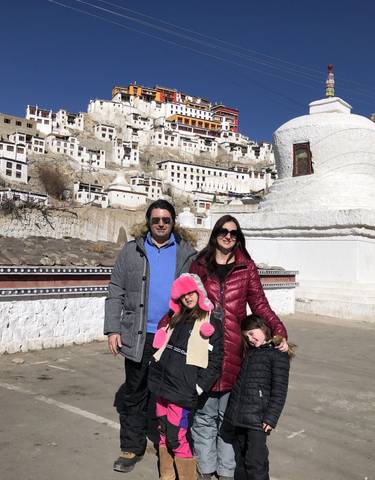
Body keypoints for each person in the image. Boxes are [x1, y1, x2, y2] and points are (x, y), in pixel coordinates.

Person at [189, 214, 288, 480]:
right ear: (215, 234)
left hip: (235, 351)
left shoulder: (247, 267)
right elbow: (184, 301)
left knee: (228, 421)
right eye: (223, 231)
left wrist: (279, 331)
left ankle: (227, 472)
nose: (228, 236)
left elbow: (260, 305)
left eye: (233, 232)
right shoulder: (199, 265)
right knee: (203, 419)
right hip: (204, 350)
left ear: (238, 237)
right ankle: (205, 470)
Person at [104, 199, 197, 473]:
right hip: (139, 335)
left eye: (166, 220)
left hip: (173, 337)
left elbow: (199, 293)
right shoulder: (132, 251)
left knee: (170, 395)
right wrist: (113, 329)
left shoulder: (186, 254)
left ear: (173, 223)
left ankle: (167, 445)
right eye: (155, 219)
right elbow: (115, 290)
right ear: (148, 221)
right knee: (134, 393)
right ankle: (132, 447)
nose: (160, 224)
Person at [148, 273, 223, 480]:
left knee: (176, 437)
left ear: (199, 292)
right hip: (162, 383)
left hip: (182, 389)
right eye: (183, 295)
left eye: (191, 292)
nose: (188, 297)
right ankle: (167, 475)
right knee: (162, 431)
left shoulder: (211, 323)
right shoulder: (176, 317)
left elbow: (215, 362)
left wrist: (198, 387)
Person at [223, 314, 294, 480]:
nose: (251, 339)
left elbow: (280, 390)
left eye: (252, 333)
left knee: (255, 461)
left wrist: (270, 418)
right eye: (247, 336)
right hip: (240, 416)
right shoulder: (250, 353)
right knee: (241, 458)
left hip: (258, 420)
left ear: (263, 328)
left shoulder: (277, 355)